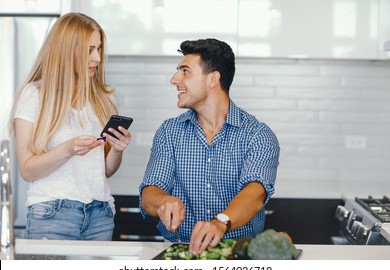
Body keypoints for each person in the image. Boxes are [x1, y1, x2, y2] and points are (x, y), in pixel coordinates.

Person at [140, 38, 280, 254]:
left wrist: (220, 222)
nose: (174, 79)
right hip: (178, 253)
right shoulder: (169, 132)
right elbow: (150, 192)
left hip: (237, 255)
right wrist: (163, 201)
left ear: (213, 79)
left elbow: (255, 195)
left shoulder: (258, 135)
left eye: (185, 71)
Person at [9, 12, 131, 240]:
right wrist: (67, 150)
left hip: (100, 214)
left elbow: (105, 170)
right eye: (89, 50)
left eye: (99, 49)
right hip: (52, 214)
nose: (97, 58)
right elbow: (27, 170)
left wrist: (117, 149)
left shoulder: (104, 99)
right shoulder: (35, 95)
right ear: (66, 51)